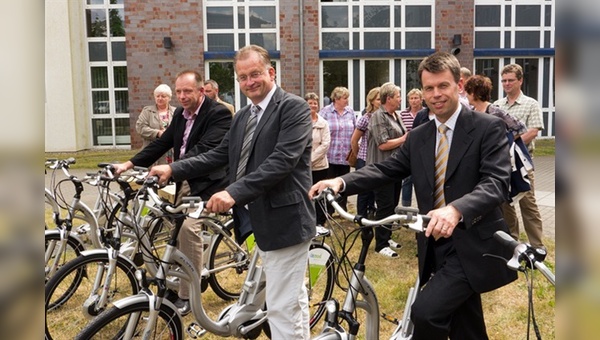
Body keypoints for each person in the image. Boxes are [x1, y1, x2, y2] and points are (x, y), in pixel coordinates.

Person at [310, 51, 517, 339]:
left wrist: (456, 209)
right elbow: (388, 169)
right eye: (428, 88)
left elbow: (496, 183)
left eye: (443, 86)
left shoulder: (487, 127)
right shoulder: (420, 134)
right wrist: (341, 182)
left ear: (459, 85)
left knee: (426, 312)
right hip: (434, 241)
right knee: (465, 322)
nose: (435, 94)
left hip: (473, 241)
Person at [150, 45, 315, 339]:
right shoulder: (242, 116)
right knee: (290, 296)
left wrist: (233, 192)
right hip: (258, 219)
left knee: (279, 306)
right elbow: (219, 154)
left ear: (271, 72)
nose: (249, 82)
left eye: (255, 74)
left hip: (286, 220)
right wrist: (174, 169)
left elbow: (282, 161)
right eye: (242, 77)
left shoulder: (293, 108)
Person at [113, 70, 232, 315]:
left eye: (187, 91)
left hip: (208, 184)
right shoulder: (180, 113)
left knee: (188, 230)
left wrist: (172, 168)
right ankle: (173, 282)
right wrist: (129, 164)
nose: (181, 96)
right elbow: (162, 142)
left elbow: (205, 151)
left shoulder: (218, 113)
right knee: (172, 231)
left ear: (201, 91)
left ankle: (190, 294)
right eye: (178, 91)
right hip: (184, 179)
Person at [493, 64, 546, 250]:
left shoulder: (531, 104)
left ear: (520, 80)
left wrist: (508, 147)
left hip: (523, 164)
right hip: (502, 165)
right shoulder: (497, 105)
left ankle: (537, 246)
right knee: (506, 205)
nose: (506, 84)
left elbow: (532, 131)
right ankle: (512, 243)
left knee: (528, 205)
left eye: (510, 80)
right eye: (504, 80)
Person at [465, 75, 532, 201]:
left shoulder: (494, 111)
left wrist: (502, 144)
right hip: (481, 163)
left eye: (468, 92)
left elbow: (520, 127)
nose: (466, 96)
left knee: (511, 203)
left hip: (499, 164)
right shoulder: (472, 112)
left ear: (475, 93)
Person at [367, 82, 407, 258]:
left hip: (395, 168)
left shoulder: (395, 115)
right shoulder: (378, 116)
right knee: (384, 206)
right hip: (382, 168)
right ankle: (380, 244)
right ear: (388, 98)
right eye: (398, 96)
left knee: (392, 205)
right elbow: (382, 144)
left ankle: (387, 236)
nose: (400, 98)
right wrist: (405, 138)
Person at [319, 86, 356, 213]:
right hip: (330, 155)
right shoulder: (325, 112)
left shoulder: (350, 112)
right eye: (345, 98)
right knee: (329, 183)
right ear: (336, 99)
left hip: (345, 156)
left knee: (343, 183)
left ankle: (342, 208)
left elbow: (356, 130)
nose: (347, 101)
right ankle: (328, 210)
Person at [350, 87, 380, 219]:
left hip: (378, 159)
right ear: (372, 101)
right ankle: (361, 216)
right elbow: (354, 140)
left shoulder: (385, 117)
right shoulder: (366, 118)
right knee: (363, 192)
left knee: (375, 190)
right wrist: (358, 156)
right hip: (365, 159)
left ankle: (372, 212)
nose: (381, 101)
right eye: (378, 99)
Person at [305, 92, 331, 227]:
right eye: (310, 103)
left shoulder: (323, 123)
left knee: (320, 195)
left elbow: (326, 144)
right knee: (307, 194)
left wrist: (311, 159)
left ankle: (320, 222)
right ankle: (307, 221)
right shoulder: (301, 121)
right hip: (303, 167)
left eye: (315, 103)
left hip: (320, 166)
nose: (313, 105)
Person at [135, 84, 176, 164]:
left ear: (169, 98)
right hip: (152, 151)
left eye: (163, 96)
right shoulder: (147, 111)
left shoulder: (176, 112)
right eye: (157, 96)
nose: (160, 98)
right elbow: (140, 128)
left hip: (171, 153)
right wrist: (157, 133)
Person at [398, 88, 423, 207]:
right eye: (411, 98)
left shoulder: (425, 114)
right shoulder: (403, 114)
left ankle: (423, 207)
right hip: (407, 151)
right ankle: (406, 208)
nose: (413, 101)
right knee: (407, 181)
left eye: (416, 98)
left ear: (421, 99)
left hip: (422, 151)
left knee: (422, 181)